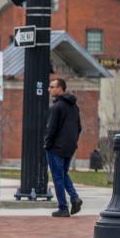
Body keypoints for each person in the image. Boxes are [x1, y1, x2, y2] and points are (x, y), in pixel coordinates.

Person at [44, 77, 83, 217]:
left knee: (57, 177)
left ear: (60, 89)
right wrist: (73, 143)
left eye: (52, 86)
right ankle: (74, 198)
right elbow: (79, 127)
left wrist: (47, 144)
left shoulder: (56, 107)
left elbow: (51, 129)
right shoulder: (74, 107)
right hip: (69, 147)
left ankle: (63, 207)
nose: (49, 89)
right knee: (63, 174)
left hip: (56, 148)